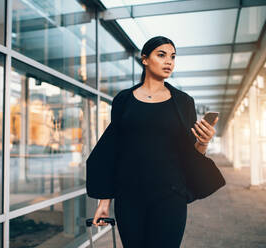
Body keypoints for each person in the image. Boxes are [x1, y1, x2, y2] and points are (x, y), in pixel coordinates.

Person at [88, 36, 219, 247]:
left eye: (173, 57)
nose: (169, 61)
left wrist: (203, 142)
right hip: (129, 196)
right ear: (145, 59)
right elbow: (113, 149)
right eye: (162, 55)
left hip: (170, 195)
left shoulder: (184, 101)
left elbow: (190, 153)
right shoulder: (123, 100)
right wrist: (104, 201)